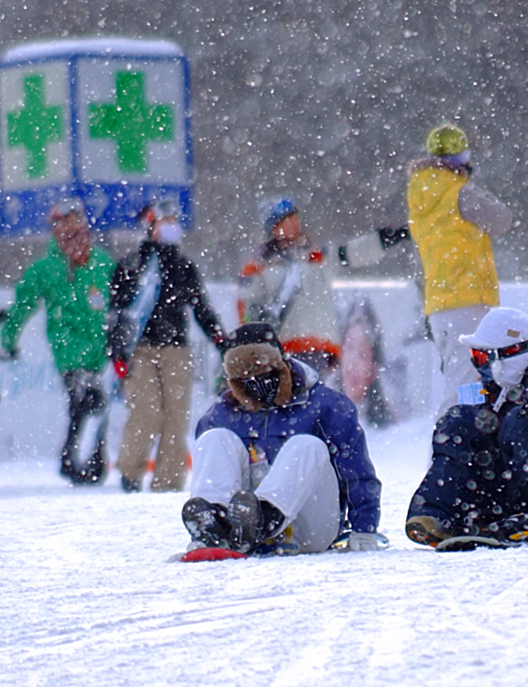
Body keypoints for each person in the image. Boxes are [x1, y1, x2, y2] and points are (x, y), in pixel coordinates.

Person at [182, 323, 383, 554]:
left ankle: (264, 517)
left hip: (309, 527)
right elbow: (210, 466)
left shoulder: (325, 405)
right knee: (213, 439)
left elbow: (355, 470)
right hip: (240, 529)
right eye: (246, 377)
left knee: (307, 445)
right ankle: (215, 527)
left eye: (264, 372)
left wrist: (364, 527)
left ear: (282, 366)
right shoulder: (222, 415)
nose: (257, 382)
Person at [405, 307, 528, 547]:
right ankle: (437, 513)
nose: (477, 364)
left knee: (522, 420)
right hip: (499, 492)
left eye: (481, 357)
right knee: (459, 421)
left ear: (510, 355)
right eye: (475, 355)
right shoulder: (492, 389)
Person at [108, 199, 226, 493]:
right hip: (140, 350)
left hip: (176, 350)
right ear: (150, 226)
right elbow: (116, 315)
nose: (172, 227)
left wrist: (221, 339)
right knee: (146, 413)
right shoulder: (130, 266)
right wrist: (117, 352)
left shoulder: (183, 266)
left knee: (176, 418)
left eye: (174, 221)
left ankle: (169, 481)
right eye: (165, 221)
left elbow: (201, 309)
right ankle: (130, 472)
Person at [0, 200, 116, 483]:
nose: (71, 228)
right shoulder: (46, 268)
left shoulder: (102, 262)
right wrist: (9, 338)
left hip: (101, 348)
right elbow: (22, 305)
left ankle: (89, 460)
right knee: (87, 399)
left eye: (75, 221)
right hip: (70, 349)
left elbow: (121, 298)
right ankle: (77, 459)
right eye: (63, 223)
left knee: (94, 404)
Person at [238, 197, 408, 382]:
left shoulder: (317, 256)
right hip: (283, 350)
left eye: (296, 217)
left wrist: (384, 239)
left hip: (320, 348)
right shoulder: (259, 266)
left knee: (309, 402)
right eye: (287, 219)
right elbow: (246, 307)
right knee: (297, 403)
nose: (295, 223)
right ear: (273, 226)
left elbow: (351, 253)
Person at [407, 124, 512, 418]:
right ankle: (445, 451)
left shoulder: (420, 197)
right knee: (463, 384)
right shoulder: (461, 193)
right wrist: (471, 182)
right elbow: (502, 219)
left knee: (469, 384)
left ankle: (464, 448)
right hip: (468, 300)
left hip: (440, 305)